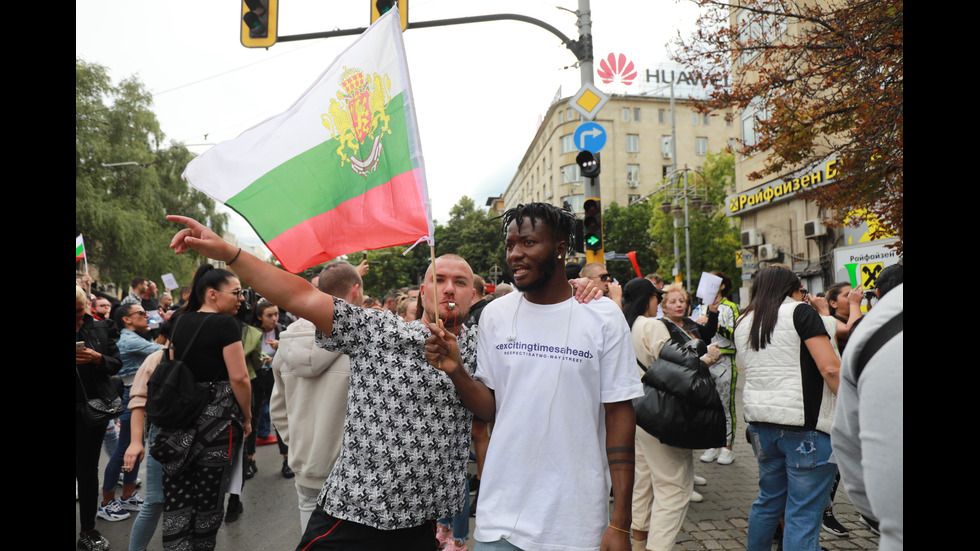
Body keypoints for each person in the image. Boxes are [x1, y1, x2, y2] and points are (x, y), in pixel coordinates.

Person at [425, 202, 642, 551]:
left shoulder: (602, 316)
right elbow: (490, 408)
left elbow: (619, 415)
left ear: (559, 249)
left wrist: (621, 523)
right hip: (500, 521)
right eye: (511, 245)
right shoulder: (495, 315)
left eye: (527, 243)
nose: (515, 254)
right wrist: (456, 372)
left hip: (576, 523)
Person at [733, 266, 841, 551]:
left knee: (768, 500)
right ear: (793, 289)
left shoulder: (744, 320)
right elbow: (830, 368)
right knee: (803, 513)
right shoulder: (800, 313)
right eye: (801, 290)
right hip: (804, 428)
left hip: (760, 426)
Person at [154, 264, 252, 551]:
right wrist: (247, 416)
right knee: (208, 501)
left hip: (179, 421)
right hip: (217, 424)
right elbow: (239, 377)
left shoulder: (180, 321)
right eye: (236, 292)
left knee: (178, 496)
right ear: (212, 294)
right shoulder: (225, 325)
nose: (241, 298)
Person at [623, 277, 725, 551]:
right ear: (650, 300)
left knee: (642, 485)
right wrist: (708, 358)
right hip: (660, 413)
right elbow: (678, 368)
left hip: (636, 412)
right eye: (657, 297)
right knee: (675, 489)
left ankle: (638, 544)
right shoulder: (651, 325)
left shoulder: (626, 325)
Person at [270, 261, 360, 534]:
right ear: (355, 292)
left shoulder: (285, 344)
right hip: (353, 470)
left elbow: (278, 410)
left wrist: (298, 443)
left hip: (306, 466)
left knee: (312, 538)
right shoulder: (360, 343)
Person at [831, 281, 902, 549]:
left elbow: (849, 450)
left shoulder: (876, 325)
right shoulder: (870, 327)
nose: (854, 296)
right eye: (846, 295)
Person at [98, 303, 166, 521]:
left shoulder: (133, 336)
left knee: (136, 448)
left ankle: (127, 495)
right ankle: (106, 503)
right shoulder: (128, 339)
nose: (147, 316)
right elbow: (162, 351)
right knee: (124, 450)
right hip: (130, 395)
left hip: (135, 395)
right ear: (127, 319)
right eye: (141, 313)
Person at [76, 285, 122, 551]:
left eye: (79, 311)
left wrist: (97, 358)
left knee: (87, 470)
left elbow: (117, 364)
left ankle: (88, 530)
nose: (78, 318)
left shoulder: (102, 327)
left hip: (93, 409)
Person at [699, 271, 739, 466]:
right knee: (708, 405)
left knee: (725, 405)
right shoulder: (701, 307)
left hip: (724, 359)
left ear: (722, 286)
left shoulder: (730, 307)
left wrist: (715, 325)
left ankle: (727, 447)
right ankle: (712, 444)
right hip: (705, 360)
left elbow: (736, 334)